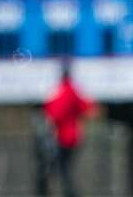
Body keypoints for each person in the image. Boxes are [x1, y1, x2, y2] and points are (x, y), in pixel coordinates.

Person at [43, 61, 95, 197]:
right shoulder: (72, 90)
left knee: (61, 169)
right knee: (64, 169)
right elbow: (89, 109)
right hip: (74, 136)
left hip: (64, 137)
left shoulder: (62, 91)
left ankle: (67, 193)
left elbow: (53, 114)